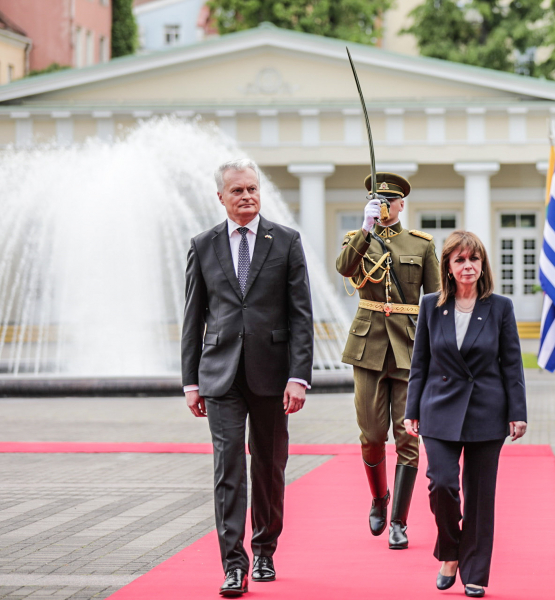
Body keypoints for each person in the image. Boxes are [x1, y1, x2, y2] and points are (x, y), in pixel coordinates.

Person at [181, 158, 314, 597]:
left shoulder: (287, 242)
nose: (247, 197)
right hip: (219, 375)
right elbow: (192, 319)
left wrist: (299, 377)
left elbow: (301, 316)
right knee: (229, 469)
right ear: (220, 196)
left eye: (253, 189)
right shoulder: (202, 245)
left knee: (270, 467)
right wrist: (190, 381)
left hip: (274, 378)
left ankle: (264, 550)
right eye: (237, 190)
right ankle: (233, 565)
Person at [403, 230, 527, 598]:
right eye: (460, 260)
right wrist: (411, 408)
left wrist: (517, 412)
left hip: (486, 411)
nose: (468, 266)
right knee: (442, 484)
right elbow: (420, 363)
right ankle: (449, 548)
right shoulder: (431, 305)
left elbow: (512, 363)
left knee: (479, 497)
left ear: (482, 264)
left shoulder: (499, 306)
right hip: (438, 409)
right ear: (448, 266)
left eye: (474, 259)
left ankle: (476, 572)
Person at [335, 172, 441, 549]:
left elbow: (436, 302)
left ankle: (399, 520)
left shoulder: (422, 244)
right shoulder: (358, 240)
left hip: (409, 348)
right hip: (368, 347)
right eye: (375, 203)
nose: (381, 209)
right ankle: (379, 497)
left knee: (407, 437)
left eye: (387, 203)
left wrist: (438, 354)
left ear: (400, 205)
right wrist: (364, 230)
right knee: (371, 435)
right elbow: (344, 268)